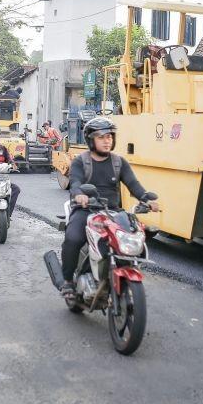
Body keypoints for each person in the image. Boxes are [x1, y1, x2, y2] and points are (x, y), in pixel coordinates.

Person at [60, 116, 158, 297]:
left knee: (136, 237)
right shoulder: (81, 161)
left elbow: (133, 184)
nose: (107, 141)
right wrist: (79, 194)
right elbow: (75, 182)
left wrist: (146, 199)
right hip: (86, 210)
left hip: (113, 213)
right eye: (102, 137)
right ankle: (67, 281)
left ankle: (120, 270)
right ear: (91, 140)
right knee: (73, 239)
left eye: (110, 137)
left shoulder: (119, 162)